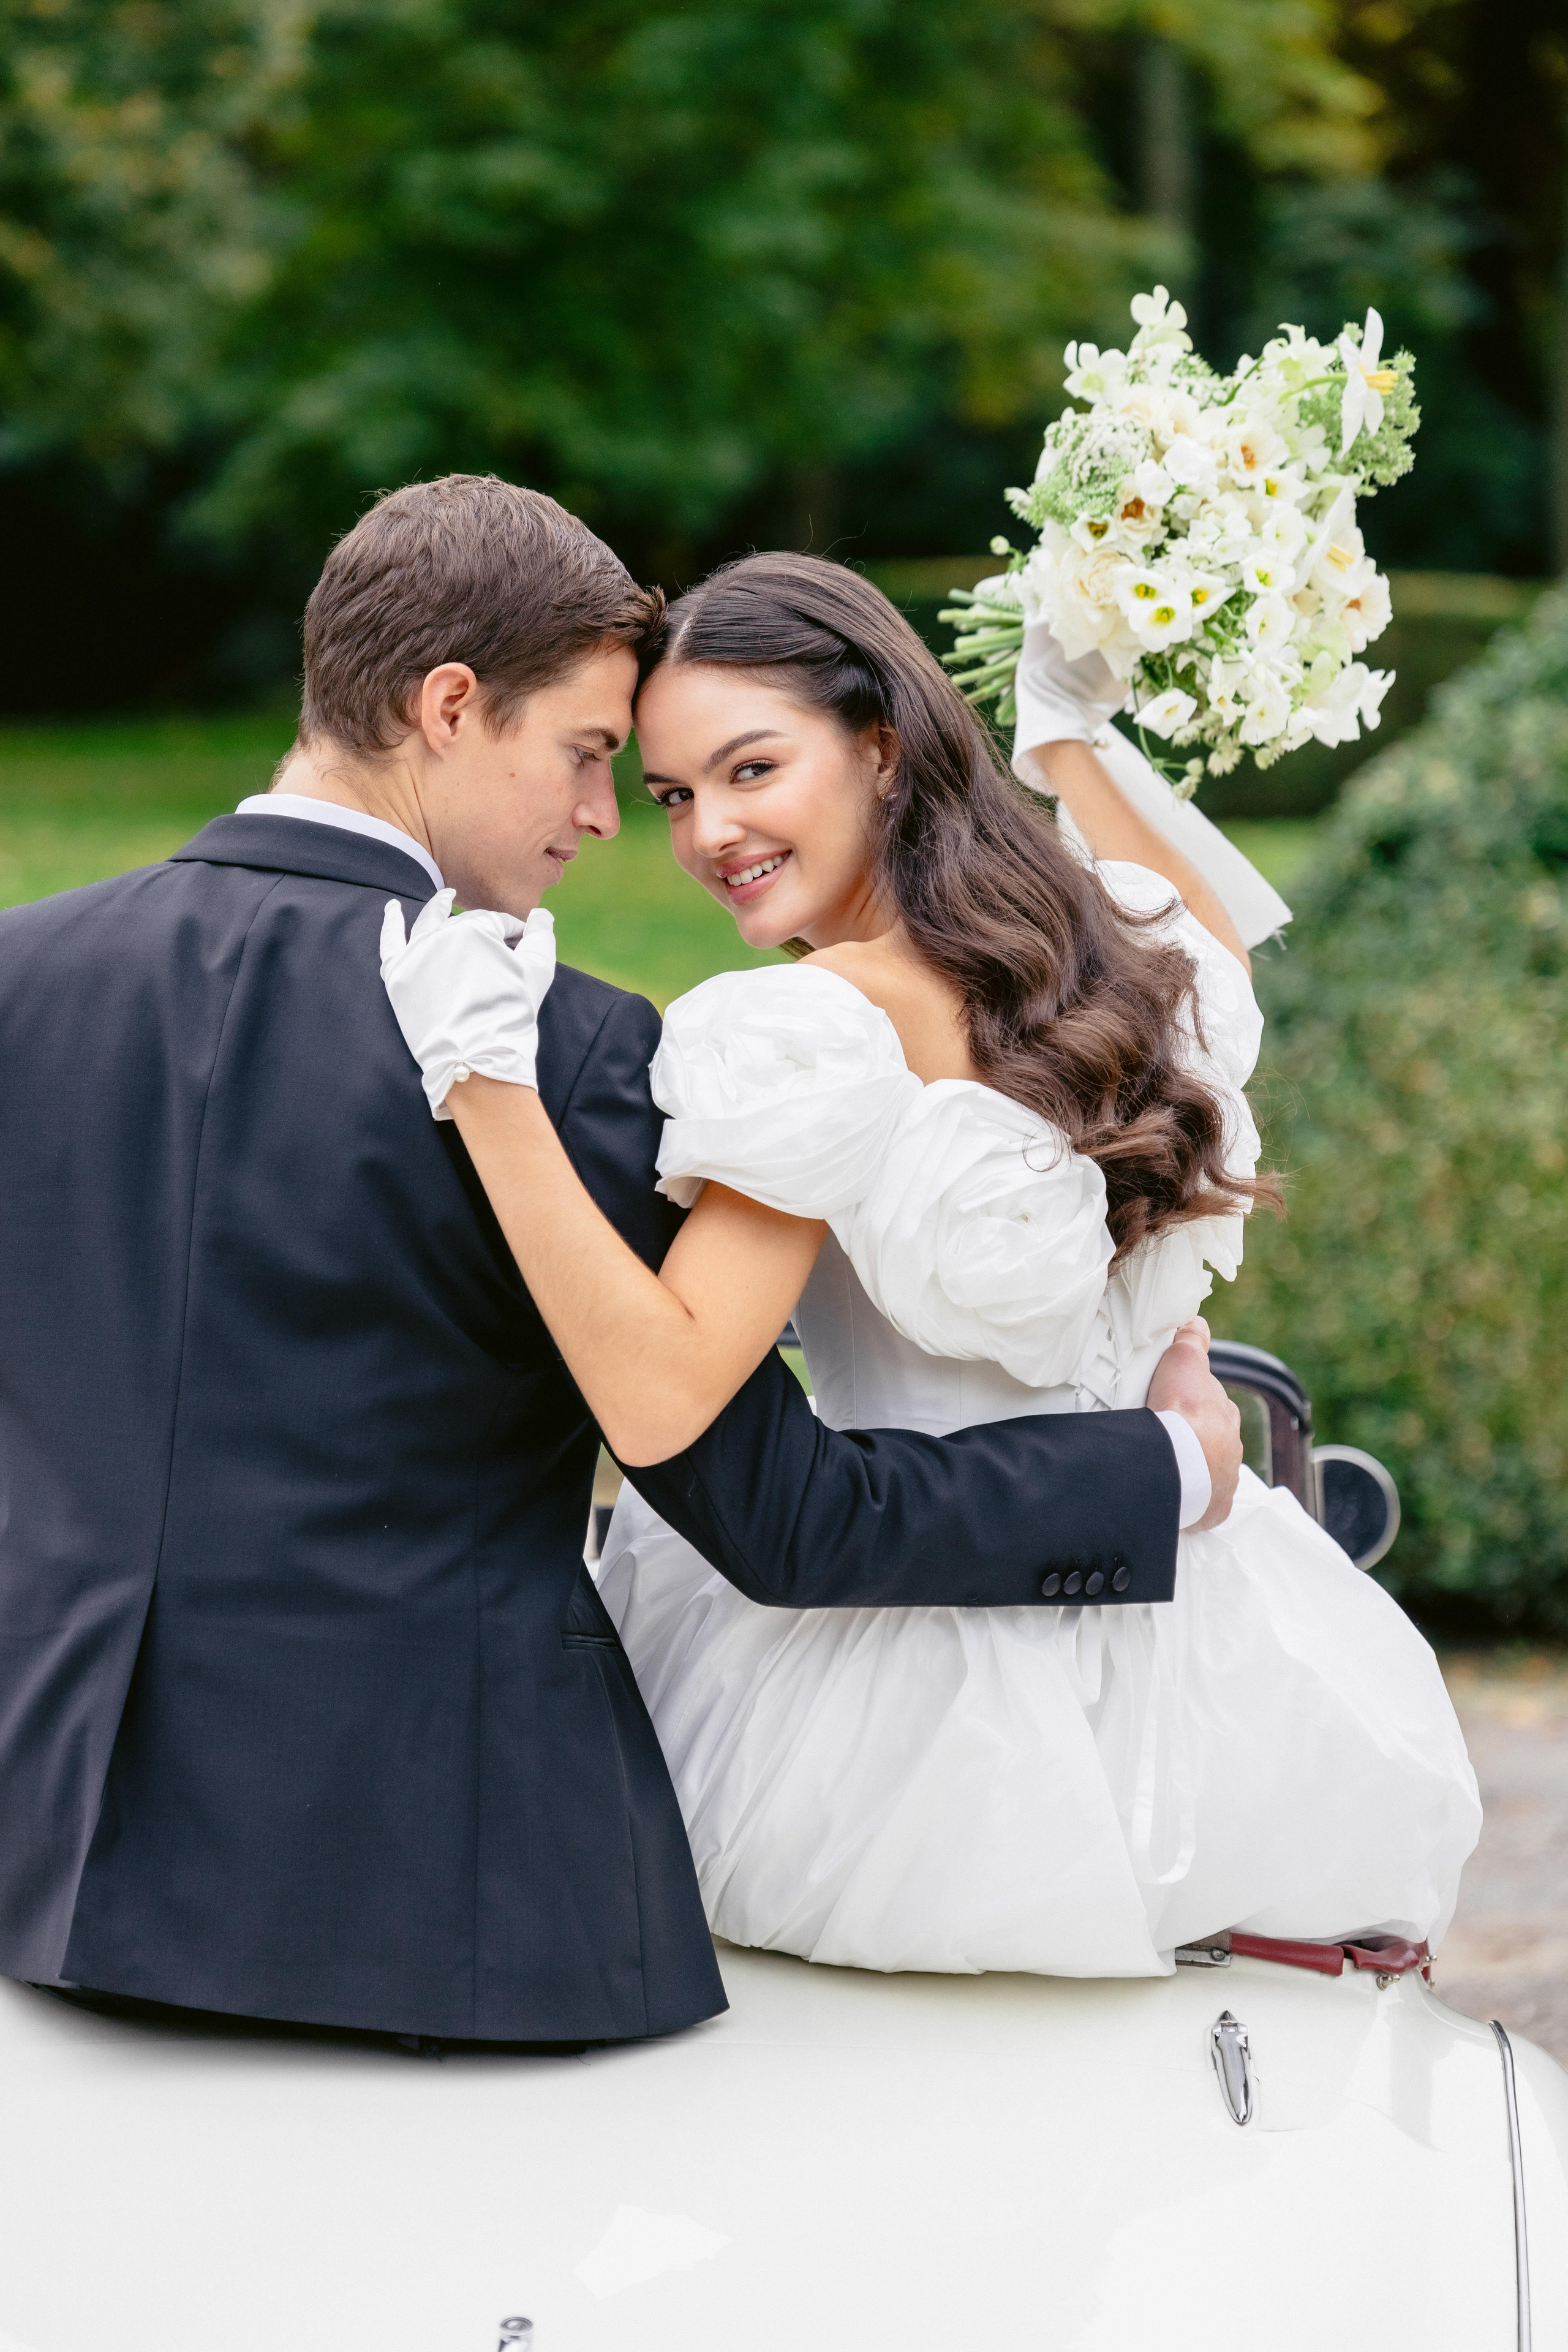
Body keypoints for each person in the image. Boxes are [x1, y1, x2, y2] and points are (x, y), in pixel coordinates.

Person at [0, 480, 1240, 2046]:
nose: (603, 820)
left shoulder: (16, 983)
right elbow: (780, 1514)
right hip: (461, 1898)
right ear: (449, 706)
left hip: (53, 1864)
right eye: (595, 759)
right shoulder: (567, 1046)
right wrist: (1165, 1470)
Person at [383, 552, 1480, 1978]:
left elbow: (657, 1403)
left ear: (880, 747)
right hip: (1212, 1656)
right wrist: (1068, 734)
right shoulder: (1129, 960)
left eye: (750, 769)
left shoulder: (808, 1036)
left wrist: (484, 1086)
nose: (708, 830)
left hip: (912, 1723)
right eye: (670, 796)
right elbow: (1213, 937)